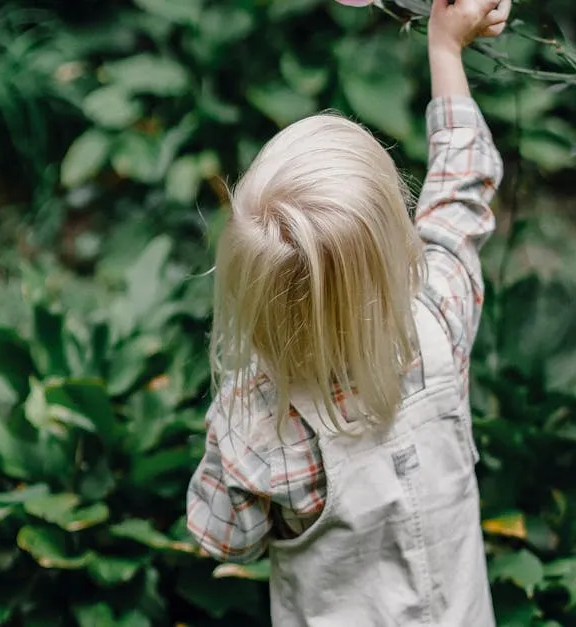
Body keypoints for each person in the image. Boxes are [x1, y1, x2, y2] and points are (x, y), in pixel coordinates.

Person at [185, 1, 511, 624]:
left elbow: (222, 538)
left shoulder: (256, 423)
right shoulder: (438, 318)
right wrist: (445, 49)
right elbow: (461, 189)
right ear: (396, 248)